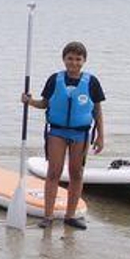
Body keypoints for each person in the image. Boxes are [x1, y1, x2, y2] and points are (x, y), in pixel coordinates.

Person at [22, 41, 105, 230]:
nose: (74, 63)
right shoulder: (55, 79)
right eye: (70, 58)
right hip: (57, 132)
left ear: (84, 61)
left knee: (76, 173)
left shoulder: (92, 82)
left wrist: (100, 136)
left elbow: (97, 111)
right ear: (64, 59)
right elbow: (44, 103)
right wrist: (29, 101)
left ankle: (70, 216)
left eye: (78, 59)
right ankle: (48, 216)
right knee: (53, 172)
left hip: (81, 134)